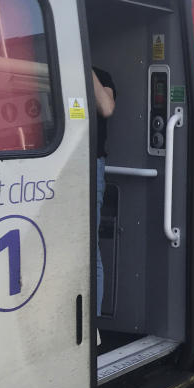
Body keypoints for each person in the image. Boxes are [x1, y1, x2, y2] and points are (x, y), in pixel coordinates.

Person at [92, 67, 115, 319]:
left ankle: (93, 327)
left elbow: (106, 108)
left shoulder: (102, 76)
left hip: (91, 164)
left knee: (90, 248)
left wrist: (86, 69)